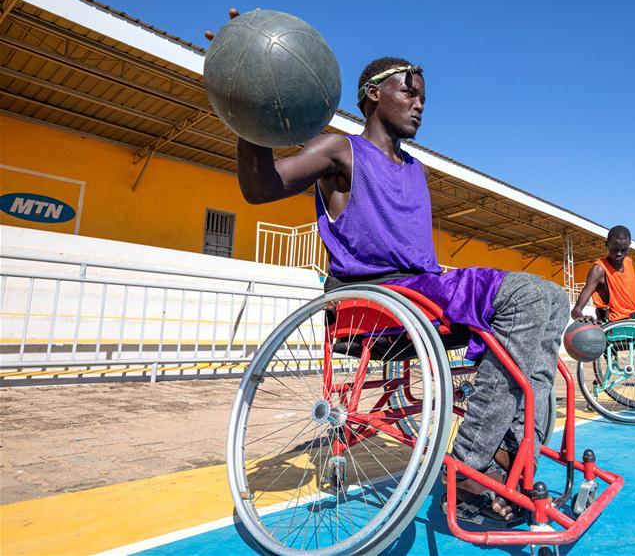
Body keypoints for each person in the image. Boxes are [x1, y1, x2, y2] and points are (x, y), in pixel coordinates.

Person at [222, 37, 566, 521]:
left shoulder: (416, 169)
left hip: (423, 290)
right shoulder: (341, 150)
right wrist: (250, 100)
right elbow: (260, 188)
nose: (419, 103)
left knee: (553, 297)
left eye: (423, 95)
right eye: (408, 91)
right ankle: (469, 467)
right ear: (372, 95)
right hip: (379, 297)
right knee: (528, 296)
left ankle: (513, 451)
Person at [571, 225, 635, 323]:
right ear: (607, 245)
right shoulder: (599, 270)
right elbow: (575, 311)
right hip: (617, 324)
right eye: (615, 249)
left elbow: (629, 303)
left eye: (624, 249)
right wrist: (583, 318)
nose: (619, 254)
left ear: (630, 245)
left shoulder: (629, 262)